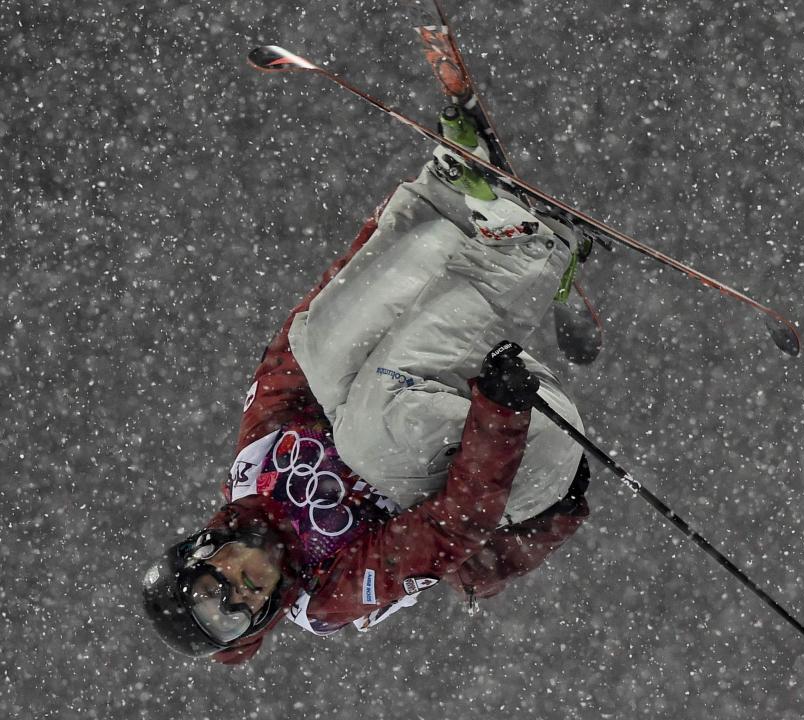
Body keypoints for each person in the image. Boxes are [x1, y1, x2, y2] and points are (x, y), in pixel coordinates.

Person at [141, 117, 592, 664]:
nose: (240, 594)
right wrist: (500, 411)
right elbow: (455, 524)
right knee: (364, 437)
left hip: (459, 378)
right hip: (522, 457)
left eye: (214, 590)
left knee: (319, 352)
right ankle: (531, 251)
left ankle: (452, 198)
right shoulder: (327, 594)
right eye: (233, 618)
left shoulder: (257, 470)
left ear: (201, 552)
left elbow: (300, 341)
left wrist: (390, 224)